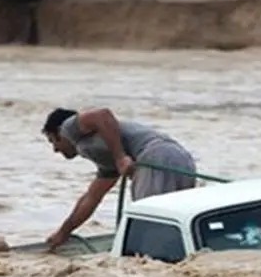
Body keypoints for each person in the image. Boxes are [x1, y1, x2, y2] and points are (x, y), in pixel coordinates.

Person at [40, 106, 198, 251]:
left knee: (148, 220)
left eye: (53, 141)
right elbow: (91, 198)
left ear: (58, 132)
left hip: (156, 156)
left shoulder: (68, 128)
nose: (55, 149)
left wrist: (120, 157)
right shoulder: (105, 159)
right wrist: (64, 232)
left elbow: (103, 114)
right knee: (172, 220)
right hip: (181, 159)